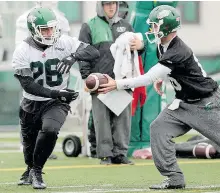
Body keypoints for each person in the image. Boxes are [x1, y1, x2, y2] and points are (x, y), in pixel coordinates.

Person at [98, 5, 220, 189]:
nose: (152, 29)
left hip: (206, 104)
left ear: (166, 27)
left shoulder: (177, 50)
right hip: (183, 103)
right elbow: (169, 71)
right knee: (158, 128)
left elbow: (148, 77)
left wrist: (116, 84)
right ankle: (174, 178)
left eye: (155, 26)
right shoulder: (162, 45)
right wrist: (163, 78)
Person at [12, 7, 99, 189]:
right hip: (32, 102)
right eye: (45, 29)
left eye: (52, 28)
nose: (50, 33)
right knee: (29, 146)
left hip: (57, 102)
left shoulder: (64, 42)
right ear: (34, 30)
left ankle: (37, 171)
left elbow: (93, 52)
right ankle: (30, 167)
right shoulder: (22, 50)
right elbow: (28, 84)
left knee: (50, 130)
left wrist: (74, 56)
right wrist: (55, 93)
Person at [78, 1, 144, 165]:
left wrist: (140, 46)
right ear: (100, 5)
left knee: (123, 119)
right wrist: (86, 77)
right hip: (100, 80)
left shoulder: (126, 26)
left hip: (122, 80)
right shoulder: (89, 26)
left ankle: (120, 154)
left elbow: (136, 53)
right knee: (102, 119)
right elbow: (82, 53)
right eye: (107, 3)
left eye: (113, 3)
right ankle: (105, 154)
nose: (111, 7)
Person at [15, 1, 70, 160]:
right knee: (30, 108)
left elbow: (65, 46)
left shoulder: (62, 19)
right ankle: (28, 145)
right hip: (35, 70)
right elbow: (20, 47)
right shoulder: (24, 18)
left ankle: (44, 147)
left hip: (54, 71)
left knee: (51, 112)